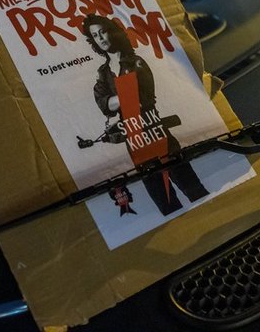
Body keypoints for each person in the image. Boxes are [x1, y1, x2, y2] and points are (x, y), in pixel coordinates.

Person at [81, 14, 209, 216]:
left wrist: (115, 100)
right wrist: (122, 96)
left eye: (103, 32)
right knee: (165, 203)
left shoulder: (136, 62)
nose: (101, 38)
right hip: (135, 141)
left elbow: (142, 98)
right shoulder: (103, 73)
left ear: (112, 32)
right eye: (95, 36)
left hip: (157, 133)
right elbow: (103, 104)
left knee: (193, 188)